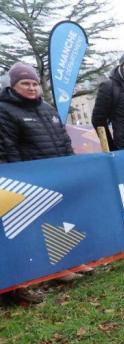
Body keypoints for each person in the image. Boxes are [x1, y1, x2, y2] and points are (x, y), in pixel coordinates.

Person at [0, 62, 74, 304]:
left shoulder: (47, 108)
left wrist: (73, 166)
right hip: (28, 182)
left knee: (58, 222)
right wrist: (19, 179)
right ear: (13, 86)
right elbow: (7, 148)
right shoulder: (5, 111)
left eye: (34, 83)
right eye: (25, 83)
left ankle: (62, 268)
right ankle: (27, 282)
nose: (32, 88)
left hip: (58, 175)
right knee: (29, 232)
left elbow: (63, 140)